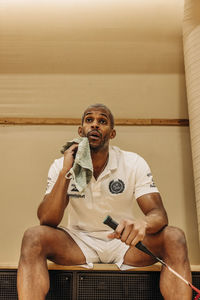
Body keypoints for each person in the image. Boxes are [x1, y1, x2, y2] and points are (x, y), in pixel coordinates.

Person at [17, 103, 192, 299]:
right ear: (80, 130)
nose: (95, 125)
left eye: (102, 121)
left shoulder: (133, 162)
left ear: (112, 133)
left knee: (174, 237)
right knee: (33, 236)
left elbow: (159, 214)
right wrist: (66, 171)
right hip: (78, 241)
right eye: (89, 120)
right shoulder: (61, 165)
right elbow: (47, 220)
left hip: (124, 243)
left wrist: (142, 224)